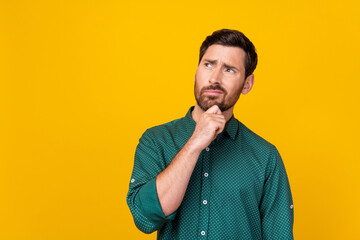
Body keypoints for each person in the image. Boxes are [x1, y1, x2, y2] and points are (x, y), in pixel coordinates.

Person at [127, 29, 294, 239]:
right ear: (196, 71)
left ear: (247, 83)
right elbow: (145, 217)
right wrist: (196, 142)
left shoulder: (265, 157)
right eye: (208, 65)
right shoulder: (157, 141)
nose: (214, 78)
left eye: (229, 70)